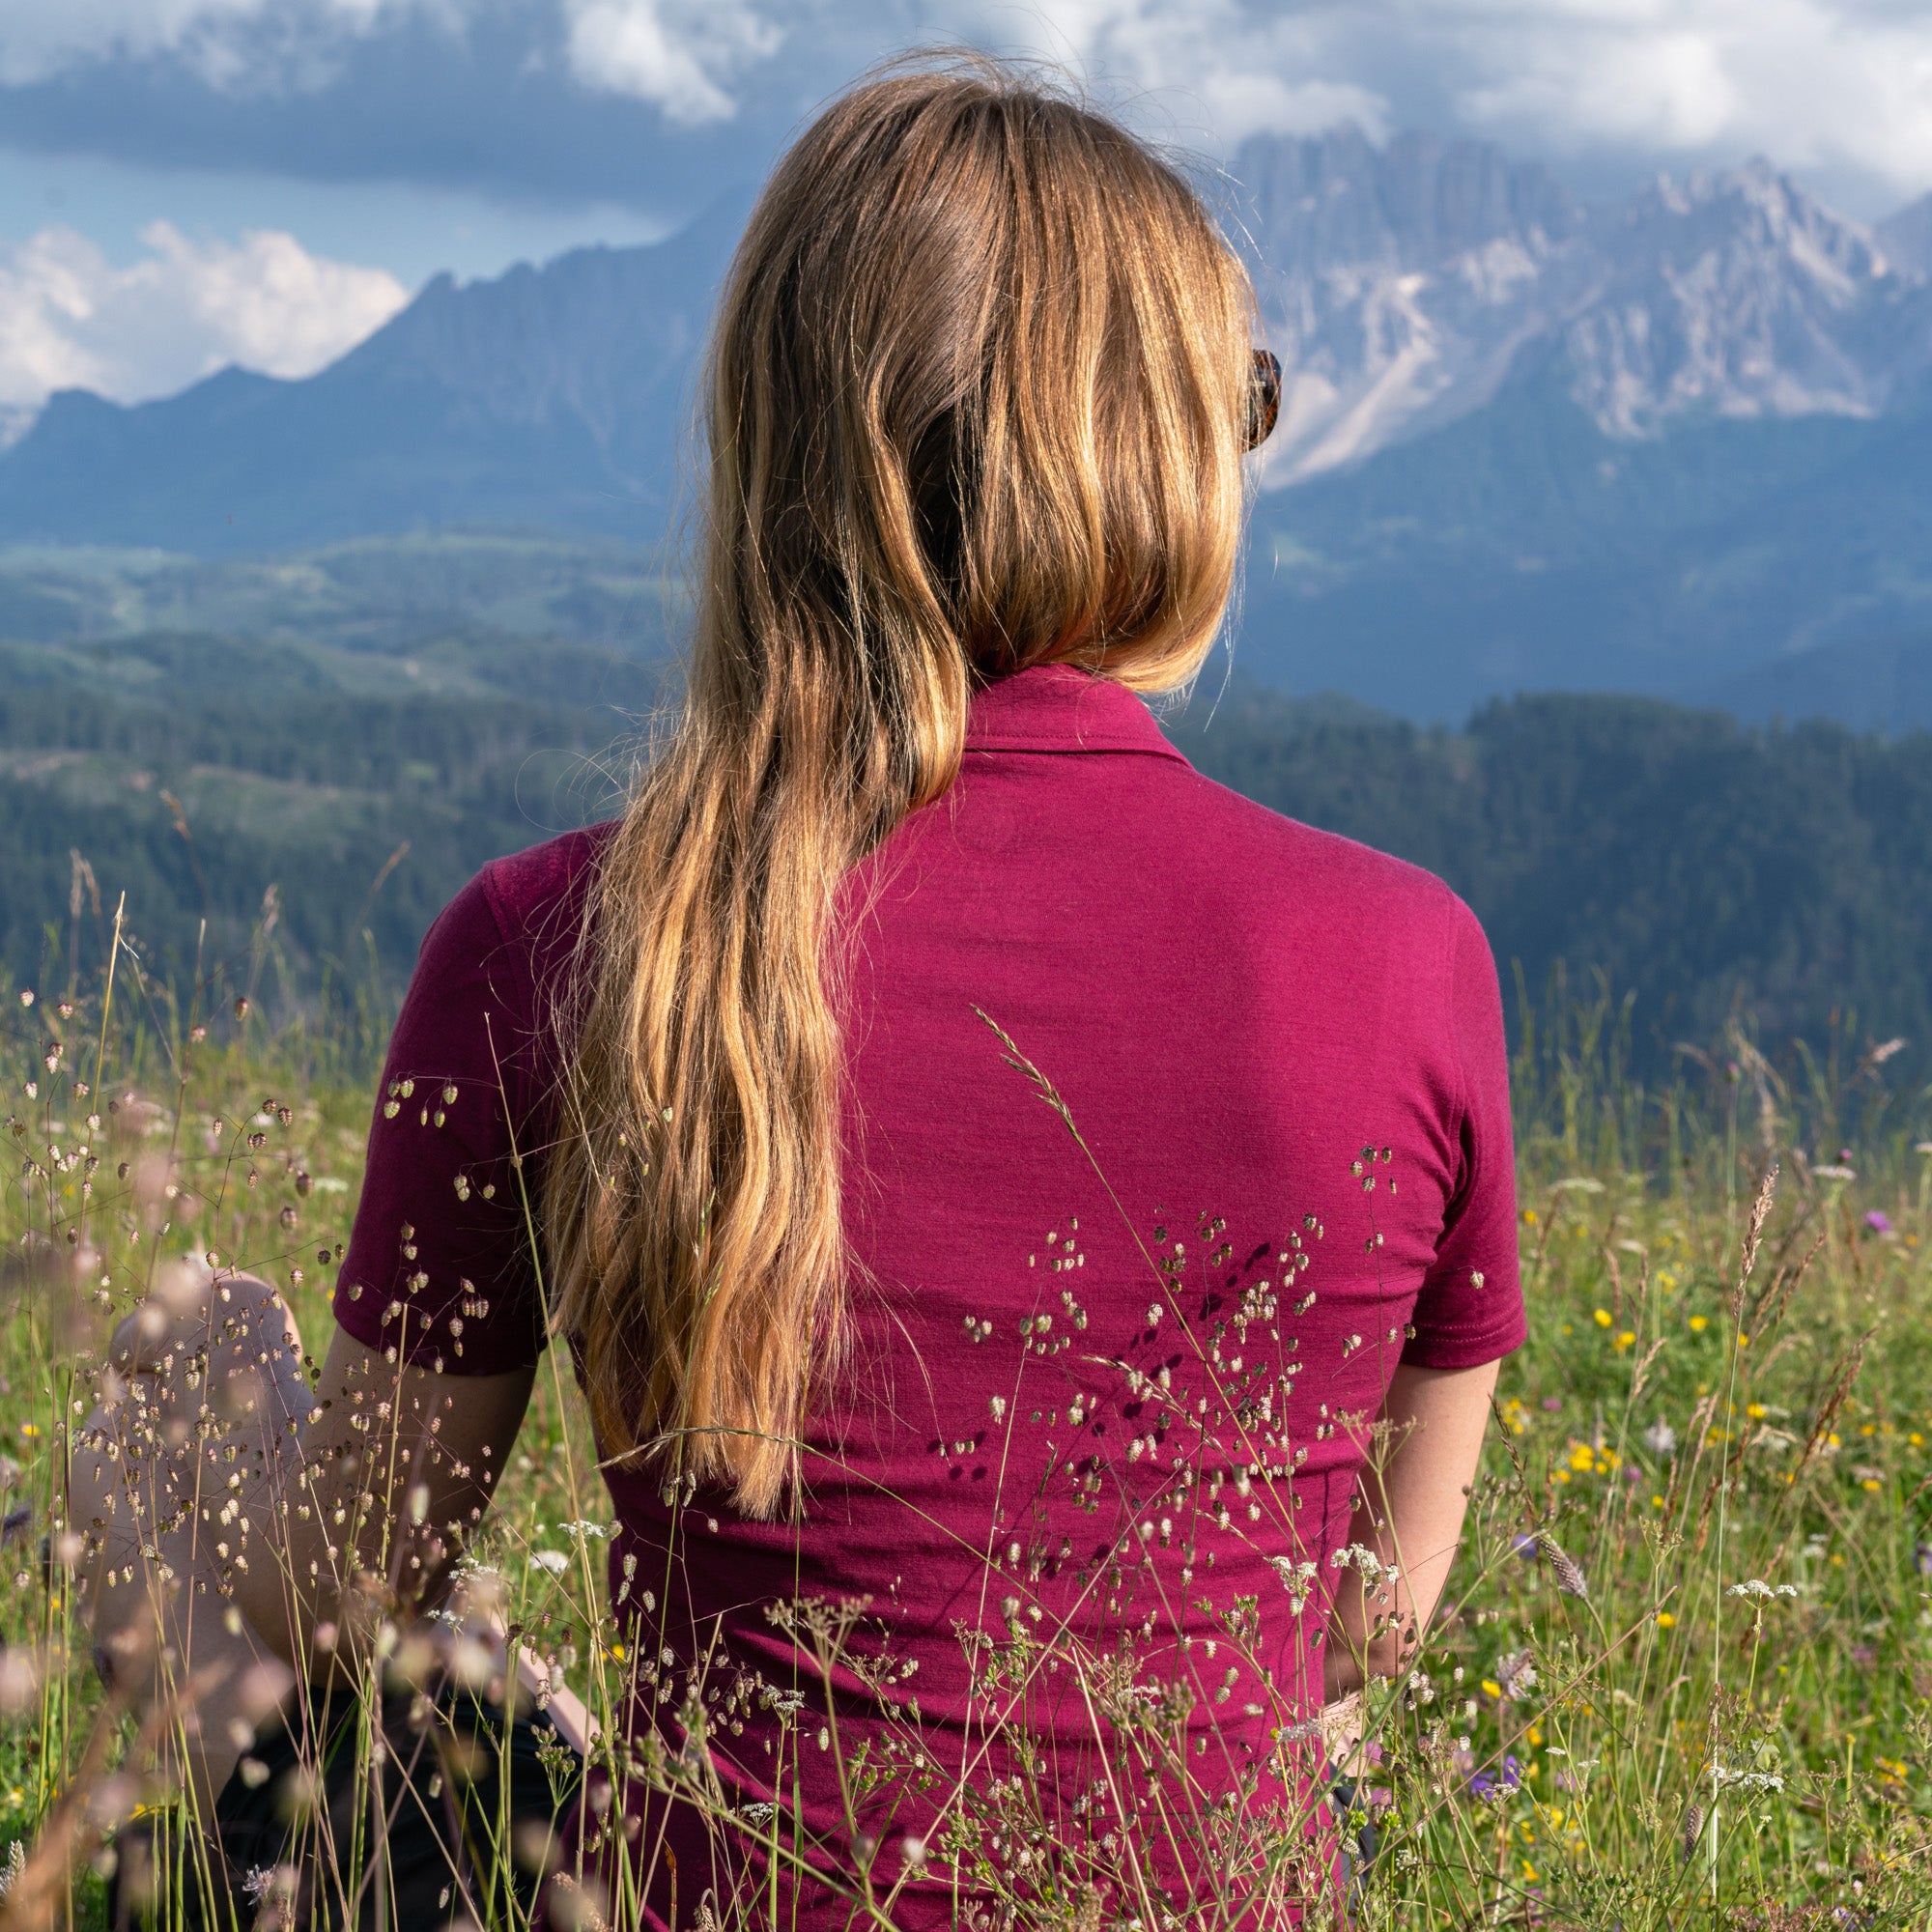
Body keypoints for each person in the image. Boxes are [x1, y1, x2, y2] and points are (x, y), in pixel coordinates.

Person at [81, 53, 1523, 1931]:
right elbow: (1370, 1623)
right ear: (1165, 462)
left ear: (782, 448)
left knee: (189, 1488)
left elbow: (338, 1590)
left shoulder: (562, 942)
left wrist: (186, 1428)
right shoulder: (1411, 959)